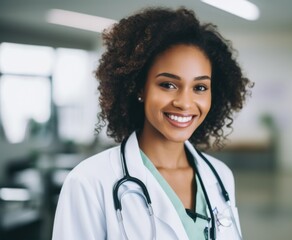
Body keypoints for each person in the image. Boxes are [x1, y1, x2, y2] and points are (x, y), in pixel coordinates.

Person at [52, 7, 252, 240]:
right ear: (139, 88)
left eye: (199, 88)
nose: (185, 103)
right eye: (168, 84)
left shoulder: (220, 176)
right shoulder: (89, 181)